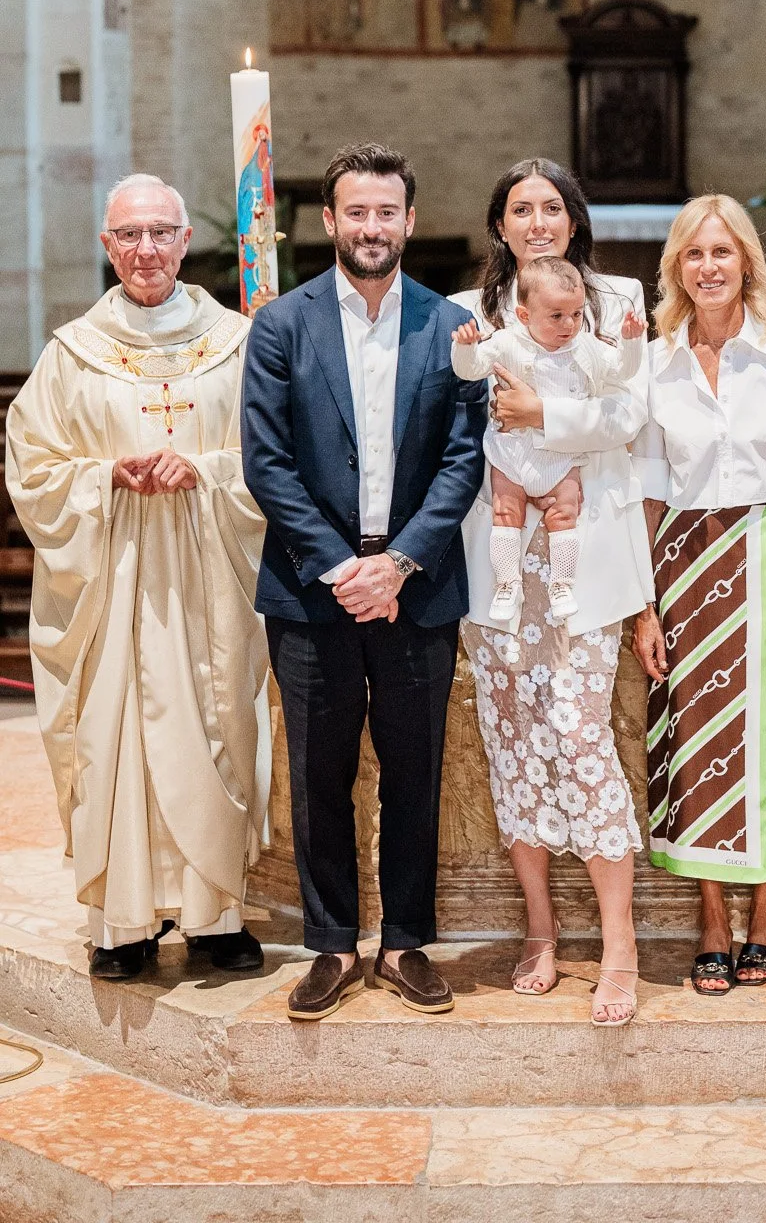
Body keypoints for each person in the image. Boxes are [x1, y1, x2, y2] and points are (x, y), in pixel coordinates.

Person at [242, 144, 486, 1021]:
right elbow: (266, 463)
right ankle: (332, 945)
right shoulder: (283, 325)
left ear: (409, 222)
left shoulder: (450, 324)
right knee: (319, 772)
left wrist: (399, 561)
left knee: (414, 771)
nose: (371, 227)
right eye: (356, 212)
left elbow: (464, 460)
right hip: (313, 587)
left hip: (415, 585)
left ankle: (408, 942)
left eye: (387, 212)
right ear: (331, 221)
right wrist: (345, 566)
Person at [5, 175, 269, 982]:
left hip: (210, 580)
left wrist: (204, 470)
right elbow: (33, 468)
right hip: (111, 583)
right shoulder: (70, 353)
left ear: (188, 241)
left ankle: (217, 915)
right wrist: (106, 477)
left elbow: (274, 458)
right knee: (114, 733)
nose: (146, 249)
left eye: (161, 233)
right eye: (130, 235)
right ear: (106, 246)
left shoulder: (239, 342)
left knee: (217, 722)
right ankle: (122, 921)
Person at [453, 158, 654, 1026]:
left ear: (573, 220)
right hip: (498, 561)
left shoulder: (616, 299)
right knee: (511, 744)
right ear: (501, 225)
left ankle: (619, 945)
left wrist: (546, 421)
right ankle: (541, 931)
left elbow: (631, 413)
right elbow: (455, 415)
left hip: (585, 551)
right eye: (520, 209)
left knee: (580, 738)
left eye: (551, 208)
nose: (537, 221)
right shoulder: (471, 315)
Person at [633, 195, 766, 994]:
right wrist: (643, 603)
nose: (709, 267)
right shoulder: (653, 362)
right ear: (675, 268)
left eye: (723, 252)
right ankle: (711, 918)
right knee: (695, 742)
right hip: (682, 563)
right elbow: (646, 488)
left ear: (747, 260)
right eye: (693, 255)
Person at [453, 255, 645, 628]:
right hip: (511, 453)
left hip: (561, 454)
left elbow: (623, 370)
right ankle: (507, 584)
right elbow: (470, 369)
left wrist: (632, 342)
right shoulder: (507, 341)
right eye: (556, 316)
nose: (569, 325)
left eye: (575, 314)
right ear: (524, 316)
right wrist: (466, 347)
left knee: (564, 515)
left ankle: (562, 584)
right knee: (506, 514)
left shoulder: (585, 346)